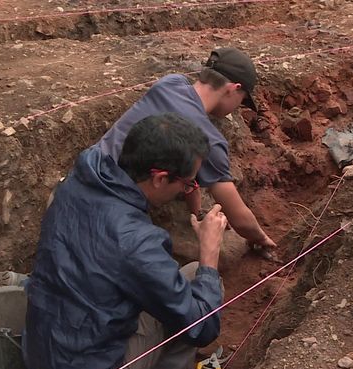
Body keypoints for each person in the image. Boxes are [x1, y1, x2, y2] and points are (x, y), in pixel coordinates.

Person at [23, 113, 228, 369]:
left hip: (43, 356)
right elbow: (202, 328)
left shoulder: (78, 182)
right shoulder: (136, 241)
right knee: (199, 278)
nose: (188, 190)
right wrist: (210, 252)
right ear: (159, 178)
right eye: (187, 183)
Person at [97, 47, 276, 250]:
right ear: (233, 89)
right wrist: (260, 238)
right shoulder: (209, 141)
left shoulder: (170, 82)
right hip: (109, 217)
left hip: (85, 175)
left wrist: (196, 209)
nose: (238, 106)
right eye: (242, 100)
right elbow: (240, 219)